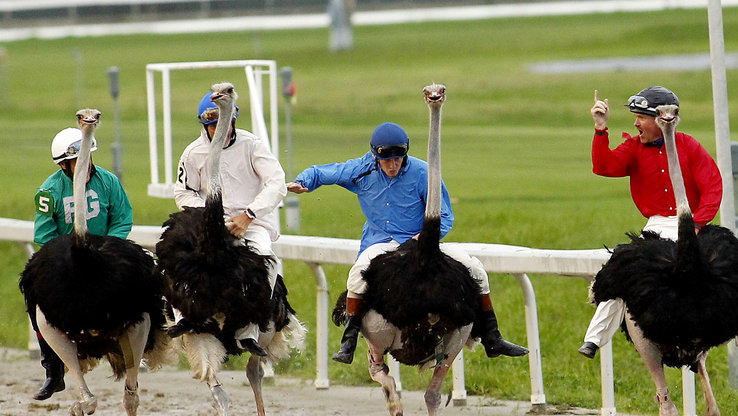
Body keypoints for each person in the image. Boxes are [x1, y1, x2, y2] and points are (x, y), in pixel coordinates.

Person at [288, 121, 528, 364]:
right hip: (381, 244)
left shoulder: (424, 173)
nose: (393, 166)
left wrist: (420, 239)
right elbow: (322, 172)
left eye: (398, 159)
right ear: (375, 156)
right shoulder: (361, 169)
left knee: (474, 268)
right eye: (387, 160)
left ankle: (492, 336)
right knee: (358, 272)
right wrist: (303, 182)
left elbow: (445, 216)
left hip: (420, 241)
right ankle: (348, 341)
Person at [579, 86, 738, 363]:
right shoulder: (634, 147)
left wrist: (696, 225)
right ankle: (595, 338)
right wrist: (601, 129)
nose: (635, 124)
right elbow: (605, 166)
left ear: (659, 120)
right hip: (657, 226)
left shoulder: (689, 145)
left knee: (728, 271)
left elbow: (712, 185)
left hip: (692, 223)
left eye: (640, 118)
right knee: (623, 273)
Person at [172, 88, 288, 355]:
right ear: (205, 126)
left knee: (266, 258)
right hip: (209, 223)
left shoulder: (253, 145)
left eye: (223, 124)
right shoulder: (192, 153)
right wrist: (209, 214)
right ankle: (183, 315)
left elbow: (276, 182)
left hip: (252, 223)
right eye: (212, 126)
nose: (219, 131)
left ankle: (250, 327)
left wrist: (249, 215)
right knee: (178, 257)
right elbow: (182, 191)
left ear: (233, 120)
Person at [31, 127, 134, 400]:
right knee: (31, 290)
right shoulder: (48, 191)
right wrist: (66, 257)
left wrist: (108, 249)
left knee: (146, 273)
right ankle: (53, 370)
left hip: (106, 254)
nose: (86, 165)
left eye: (88, 158)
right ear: (64, 165)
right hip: (66, 259)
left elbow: (123, 218)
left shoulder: (109, 181)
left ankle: (150, 339)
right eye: (79, 161)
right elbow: (43, 234)